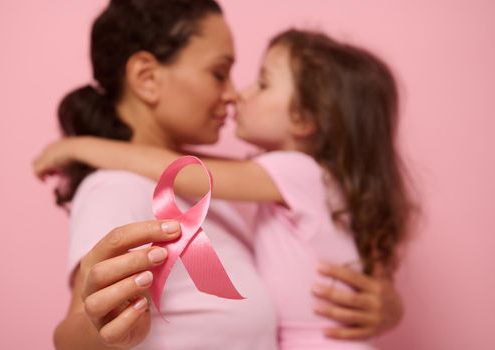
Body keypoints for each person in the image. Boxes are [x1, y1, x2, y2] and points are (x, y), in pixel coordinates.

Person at [35, 1, 404, 349]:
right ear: (147, 78)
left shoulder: (220, 194)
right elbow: (76, 330)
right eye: (218, 73)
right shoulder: (116, 188)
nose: (234, 94)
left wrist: (385, 301)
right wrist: (102, 334)